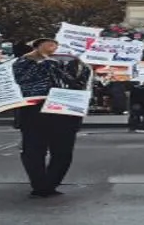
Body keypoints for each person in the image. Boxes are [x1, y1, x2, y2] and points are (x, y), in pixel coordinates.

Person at [12, 38, 92, 198]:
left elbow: (80, 82)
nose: (53, 46)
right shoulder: (22, 63)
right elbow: (20, 80)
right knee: (33, 150)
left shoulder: (71, 62)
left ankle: (50, 183)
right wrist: (44, 62)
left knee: (63, 151)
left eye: (55, 44)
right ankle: (39, 184)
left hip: (64, 110)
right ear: (36, 46)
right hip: (34, 111)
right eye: (48, 43)